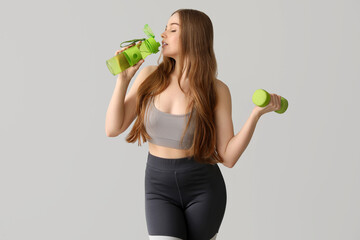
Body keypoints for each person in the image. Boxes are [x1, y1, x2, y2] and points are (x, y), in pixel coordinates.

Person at [105, 8, 282, 240]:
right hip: (158, 187)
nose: (162, 35)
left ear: (193, 37)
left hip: (203, 188)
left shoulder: (216, 90)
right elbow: (113, 128)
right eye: (165, 28)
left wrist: (255, 115)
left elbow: (228, 157)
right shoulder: (149, 76)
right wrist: (123, 80)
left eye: (172, 29)